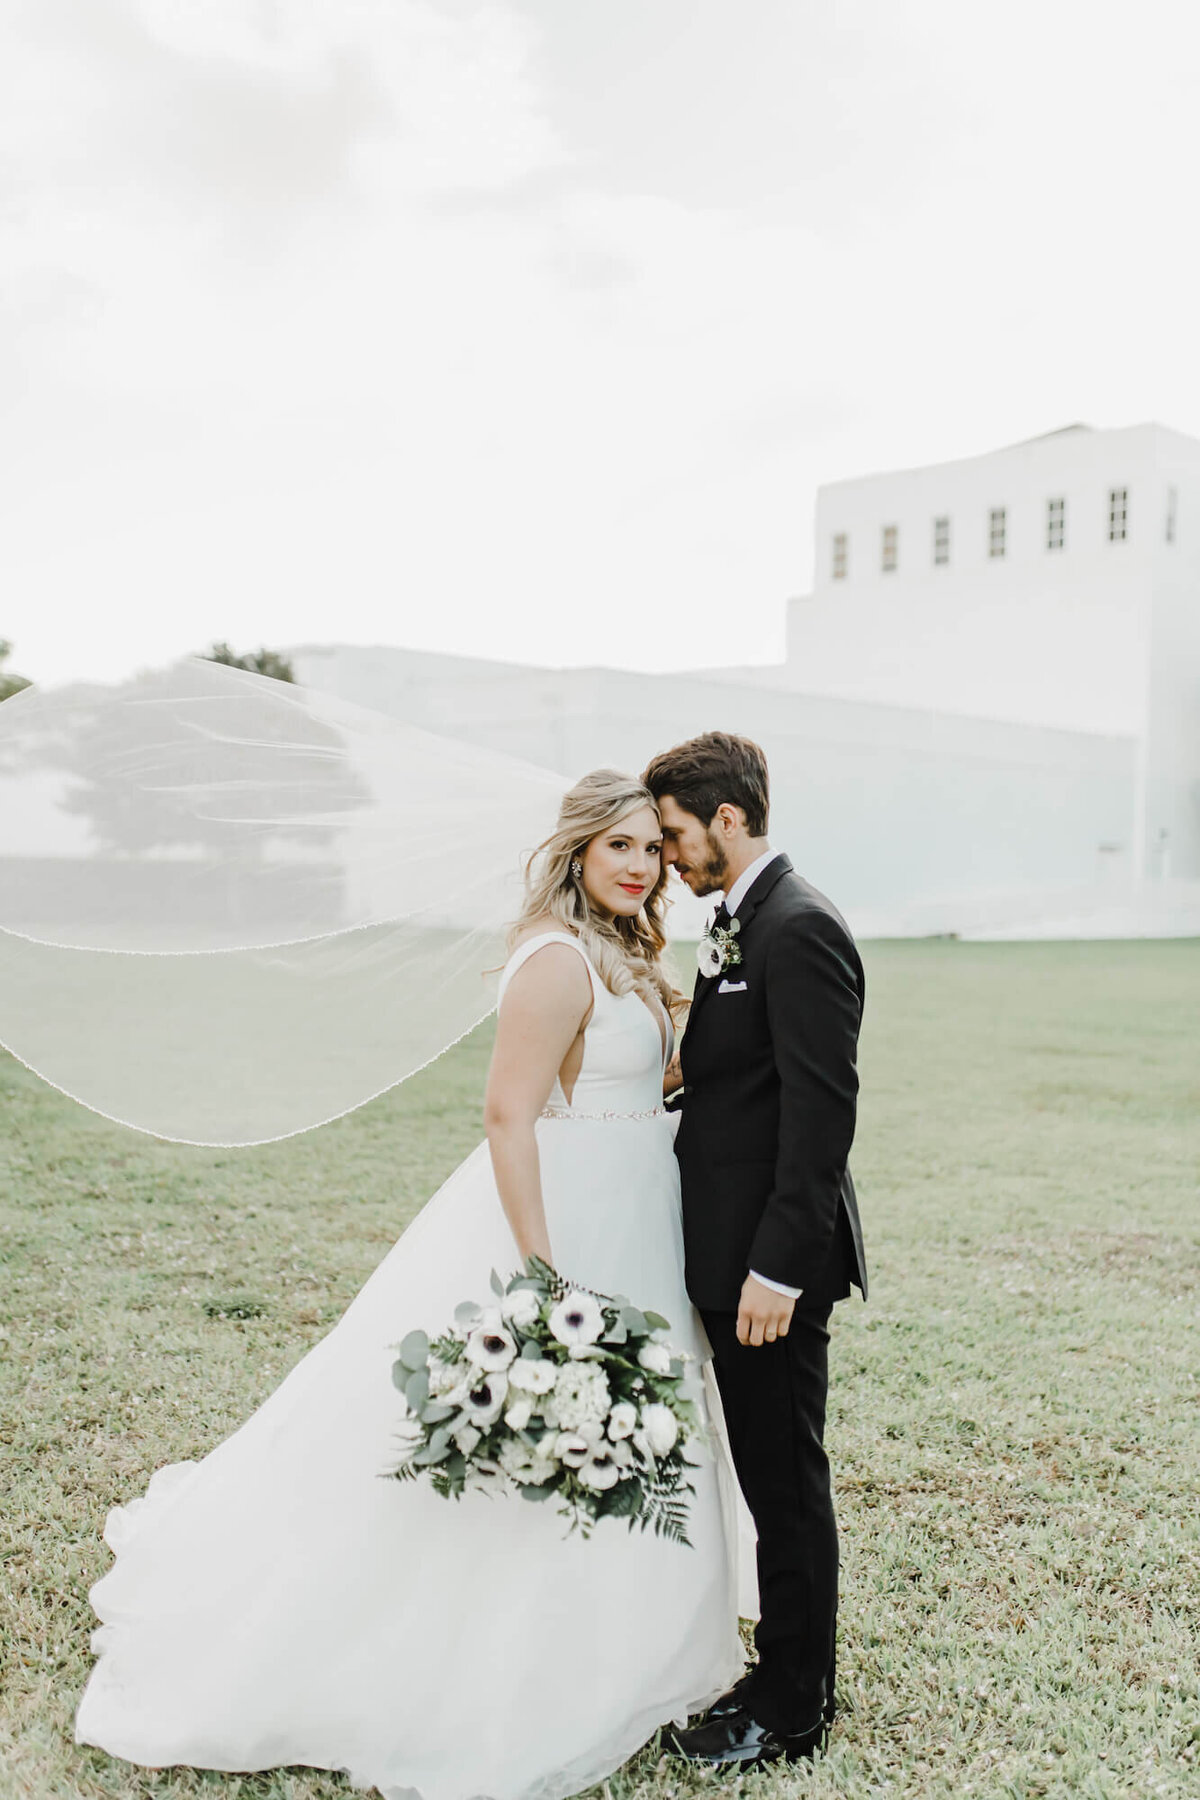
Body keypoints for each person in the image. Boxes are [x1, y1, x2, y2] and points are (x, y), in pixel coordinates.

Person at [73, 769, 746, 1800]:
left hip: (636, 1203)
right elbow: (507, 1116)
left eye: (652, 848)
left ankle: (624, 1639)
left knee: (635, 1421)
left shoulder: (627, 951)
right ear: (575, 851)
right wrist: (540, 1274)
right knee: (545, 1429)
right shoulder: (557, 958)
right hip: (565, 1219)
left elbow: (634, 1081)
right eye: (618, 846)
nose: (640, 865)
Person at [643, 731, 868, 1770]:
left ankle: (791, 1705)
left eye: (680, 836)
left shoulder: (800, 927)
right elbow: (745, 1082)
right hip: (732, 1256)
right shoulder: (738, 924)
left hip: (768, 1274)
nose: (672, 857)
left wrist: (776, 1270)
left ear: (728, 820)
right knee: (768, 1474)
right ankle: (782, 1669)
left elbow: (822, 1120)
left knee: (785, 1483)